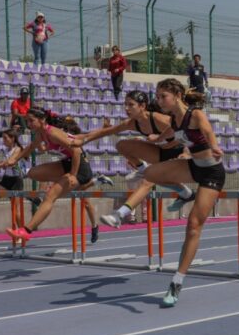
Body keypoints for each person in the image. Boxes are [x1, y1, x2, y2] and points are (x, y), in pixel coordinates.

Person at [142, 78, 224, 307]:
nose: (158, 101)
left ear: (177, 95)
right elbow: (166, 139)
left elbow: (208, 132)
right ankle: (186, 193)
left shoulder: (195, 114)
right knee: (150, 174)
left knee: (193, 225)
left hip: (211, 173)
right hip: (192, 167)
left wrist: (215, 146)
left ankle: (177, 282)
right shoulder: (174, 121)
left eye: (162, 96)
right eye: (157, 96)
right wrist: (154, 140)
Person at [70, 89, 194, 227]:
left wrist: (187, 153)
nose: (126, 108)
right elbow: (106, 132)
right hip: (161, 153)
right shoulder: (132, 123)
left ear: (142, 106)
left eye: (131, 105)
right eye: (125, 104)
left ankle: (119, 215)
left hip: (178, 154)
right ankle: (145, 170)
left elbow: (187, 134)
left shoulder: (159, 119)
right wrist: (82, 139)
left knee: (148, 182)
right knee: (122, 145)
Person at [3, 108, 94, 242]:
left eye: (31, 120)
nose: (28, 124)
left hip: (80, 167)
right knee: (33, 173)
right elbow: (30, 147)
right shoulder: (41, 134)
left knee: (50, 196)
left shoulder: (52, 133)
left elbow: (76, 151)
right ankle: (68, 184)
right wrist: (14, 159)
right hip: (66, 164)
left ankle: (26, 230)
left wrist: (73, 175)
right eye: (27, 121)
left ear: (42, 120)